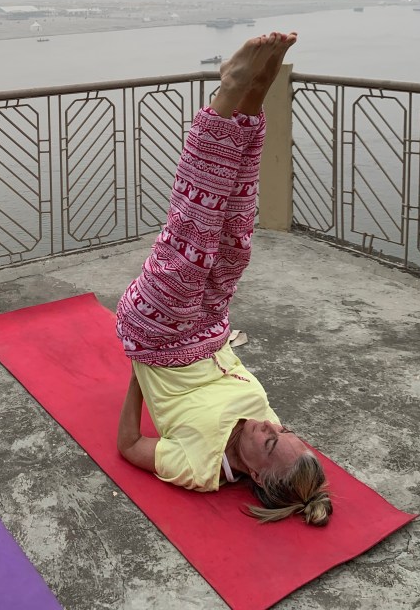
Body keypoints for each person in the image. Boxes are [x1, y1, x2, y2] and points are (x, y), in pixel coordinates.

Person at [116, 32, 332, 526]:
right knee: (236, 234)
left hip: (158, 337)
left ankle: (228, 91)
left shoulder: (200, 466)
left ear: (256, 475)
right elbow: (234, 381)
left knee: (193, 232)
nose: (269, 425)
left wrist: (137, 372)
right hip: (210, 326)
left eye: (270, 441)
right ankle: (254, 98)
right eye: (283, 430)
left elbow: (129, 445)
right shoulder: (264, 420)